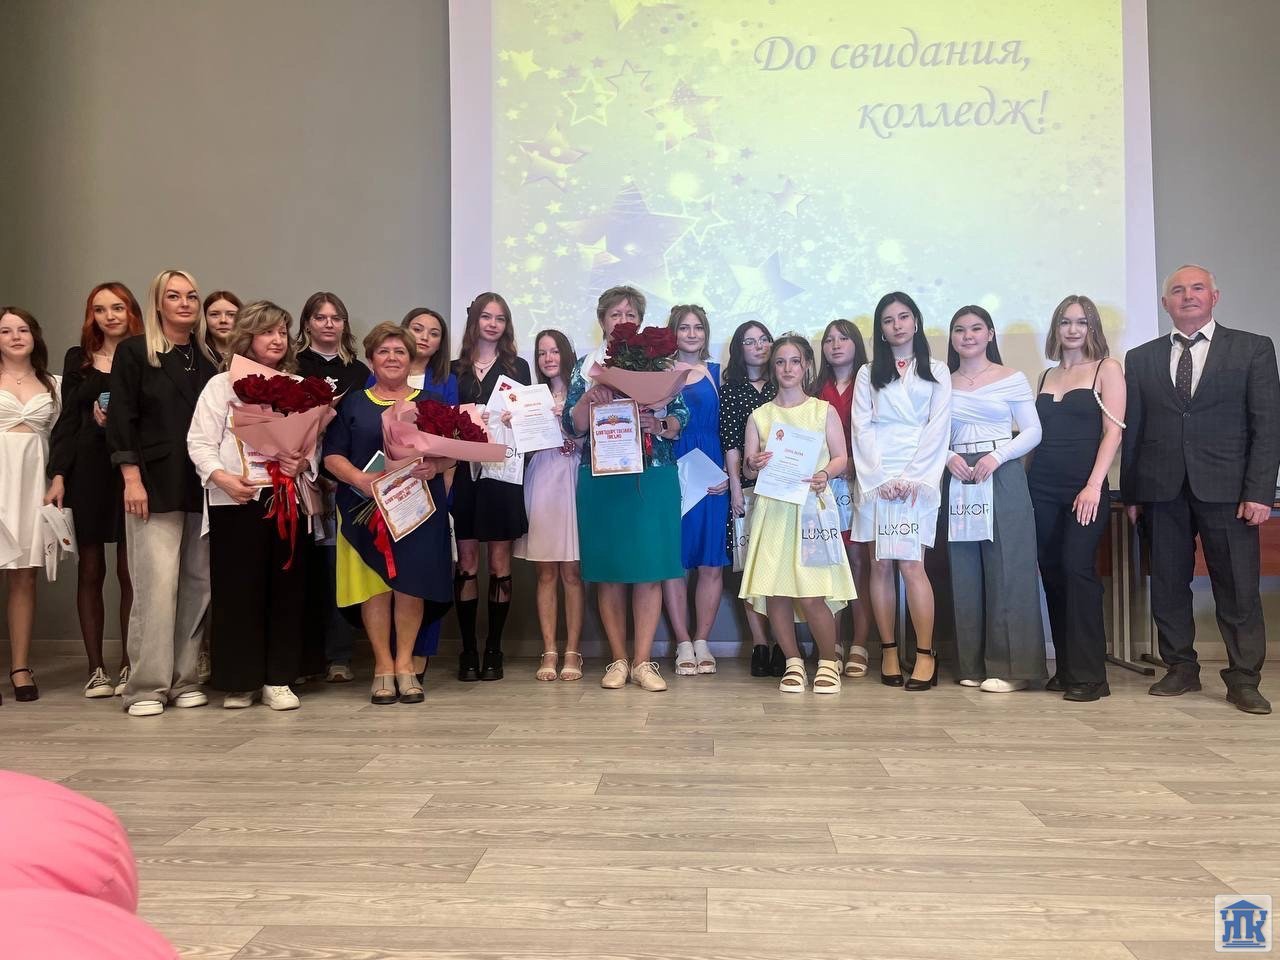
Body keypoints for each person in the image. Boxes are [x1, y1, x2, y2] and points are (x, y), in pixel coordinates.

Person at [1122, 265, 1280, 715]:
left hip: (1229, 491)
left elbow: (1267, 425)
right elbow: (1134, 430)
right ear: (1165, 303)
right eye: (1178, 290)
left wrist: (1260, 492)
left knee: (1238, 587)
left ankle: (1244, 679)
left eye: (1197, 288)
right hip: (1161, 489)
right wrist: (1132, 493)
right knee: (1168, 583)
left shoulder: (1252, 348)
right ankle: (1180, 668)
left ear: (1215, 297)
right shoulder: (1141, 357)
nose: (1187, 296)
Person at [187, 301, 314, 711]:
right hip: (235, 499)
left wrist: (301, 462)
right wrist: (222, 477)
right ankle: (239, 680)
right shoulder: (220, 386)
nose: (277, 340)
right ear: (247, 337)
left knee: (285, 589)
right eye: (267, 332)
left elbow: (312, 445)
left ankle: (278, 679)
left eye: (282, 332)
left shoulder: (298, 386)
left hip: (284, 499)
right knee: (238, 591)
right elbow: (199, 442)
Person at [106, 269, 218, 717]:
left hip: (202, 484)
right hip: (153, 483)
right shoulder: (136, 352)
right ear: (158, 303)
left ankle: (185, 678)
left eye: (191, 296)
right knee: (155, 587)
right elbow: (122, 418)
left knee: (197, 584)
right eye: (174, 296)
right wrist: (131, 478)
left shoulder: (208, 358)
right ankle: (147, 687)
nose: (185, 303)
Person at [566, 285, 688, 691]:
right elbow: (572, 425)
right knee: (610, 572)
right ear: (602, 321)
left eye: (630, 314)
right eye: (615, 314)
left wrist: (660, 423)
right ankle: (618, 660)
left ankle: (643, 662)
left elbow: (681, 416)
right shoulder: (585, 367)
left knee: (650, 570)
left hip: (653, 473)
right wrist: (590, 398)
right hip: (603, 475)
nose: (623, 320)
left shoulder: (660, 365)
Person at [323, 323, 453, 705]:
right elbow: (332, 455)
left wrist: (437, 466)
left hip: (417, 510)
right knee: (375, 588)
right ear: (370, 360)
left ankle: (405, 664)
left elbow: (452, 453)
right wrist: (361, 480)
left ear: (411, 359)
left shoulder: (430, 402)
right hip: (364, 509)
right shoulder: (353, 403)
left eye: (400, 351)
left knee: (411, 586)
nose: (392, 358)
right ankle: (382, 665)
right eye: (384, 351)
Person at [739, 334, 856, 693]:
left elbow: (841, 457)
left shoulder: (823, 410)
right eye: (780, 362)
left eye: (794, 361)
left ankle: (827, 660)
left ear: (806, 365)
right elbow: (748, 468)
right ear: (772, 367)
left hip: (810, 511)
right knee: (776, 591)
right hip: (773, 511)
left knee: (812, 592)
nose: (787, 368)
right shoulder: (760, 415)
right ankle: (792, 660)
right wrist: (754, 462)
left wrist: (825, 473)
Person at [850, 292, 952, 691]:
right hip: (876, 477)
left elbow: (938, 427)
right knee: (879, 564)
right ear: (881, 329)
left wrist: (911, 477)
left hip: (917, 479)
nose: (897, 325)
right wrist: (879, 477)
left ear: (916, 321)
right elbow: (861, 426)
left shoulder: (938, 371)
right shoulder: (867, 372)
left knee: (912, 564)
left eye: (903, 317)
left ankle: (925, 654)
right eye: (888, 320)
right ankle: (889, 650)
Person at [46, 283, 143, 698]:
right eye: (100, 309)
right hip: (87, 469)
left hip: (130, 470)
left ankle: (129, 664)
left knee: (129, 571)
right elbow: (67, 419)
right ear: (92, 316)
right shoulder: (78, 359)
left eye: (117, 307)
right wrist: (57, 474)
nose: (109, 316)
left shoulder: (144, 355)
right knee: (90, 569)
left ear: (131, 311)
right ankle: (96, 669)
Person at [1028, 295, 1126, 702]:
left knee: (1077, 569)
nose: (1072, 329)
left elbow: (1113, 431)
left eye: (1081, 322)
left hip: (1084, 488)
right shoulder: (1046, 375)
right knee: (1052, 572)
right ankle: (1067, 669)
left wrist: (1093, 485)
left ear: (1092, 328)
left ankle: (1091, 676)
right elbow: (1034, 438)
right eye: (1065, 322)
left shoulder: (1107, 368)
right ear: (1056, 328)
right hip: (1041, 486)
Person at [945, 306, 1047, 692]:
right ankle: (971, 663)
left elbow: (1033, 430)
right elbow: (929, 434)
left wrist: (997, 456)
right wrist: (948, 457)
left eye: (976, 328)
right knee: (964, 569)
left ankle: (1012, 670)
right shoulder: (941, 383)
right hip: (959, 475)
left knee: (1009, 566)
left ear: (990, 334)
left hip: (1000, 470)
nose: (967, 336)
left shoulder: (1011, 377)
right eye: (959, 329)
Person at [451, 292, 531, 682]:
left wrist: (516, 420)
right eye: (486, 317)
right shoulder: (453, 369)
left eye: (500, 318)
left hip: (503, 475)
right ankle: (468, 649)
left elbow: (529, 420)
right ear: (474, 322)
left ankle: (494, 649)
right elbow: (440, 421)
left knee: (500, 566)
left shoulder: (518, 367)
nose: (493, 324)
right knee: (466, 565)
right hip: (462, 476)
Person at [294, 292, 370, 684]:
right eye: (320, 317)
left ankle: (339, 655)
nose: (328, 324)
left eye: (336, 318)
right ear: (307, 322)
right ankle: (303, 658)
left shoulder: (358, 371)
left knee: (337, 569)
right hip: (297, 478)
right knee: (303, 569)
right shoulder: (291, 366)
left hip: (346, 482)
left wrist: (342, 473)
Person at [662, 304, 729, 676]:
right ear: (673, 332)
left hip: (711, 474)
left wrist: (728, 473)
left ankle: (703, 640)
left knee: (710, 561)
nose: (691, 334)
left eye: (698, 327)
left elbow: (729, 430)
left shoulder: (717, 372)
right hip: (670, 470)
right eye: (684, 327)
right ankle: (682, 642)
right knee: (673, 560)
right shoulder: (658, 372)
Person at [514, 329, 585, 681]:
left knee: (572, 572)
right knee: (545, 572)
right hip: (541, 478)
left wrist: (575, 437)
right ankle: (549, 650)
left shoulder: (582, 393)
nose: (548, 358)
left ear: (566, 354)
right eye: (542, 353)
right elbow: (520, 447)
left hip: (573, 479)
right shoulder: (529, 397)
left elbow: (600, 438)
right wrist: (512, 424)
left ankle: (572, 650)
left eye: (554, 351)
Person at [0, 308, 61, 704]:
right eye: (5, 331)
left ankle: (20, 667)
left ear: (34, 335)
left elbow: (63, 440)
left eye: (23, 329)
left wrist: (57, 480)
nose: (15, 336)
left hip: (33, 484)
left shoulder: (53, 384)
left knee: (24, 576)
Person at [718, 321, 780, 677]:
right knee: (749, 570)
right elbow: (731, 444)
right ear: (739, 349)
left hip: (784, 488)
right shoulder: (731, 390)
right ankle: (760, 644)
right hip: (746, 487)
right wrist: (734, 488)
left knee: (779, 566)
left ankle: (784, 642)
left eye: (764, 340)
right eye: (750, 341)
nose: (758, 346)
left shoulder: (783, 384)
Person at [812, 318, 872, 678]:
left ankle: (860, 642)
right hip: (824, 487)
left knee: (860, 563)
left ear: (856, 344)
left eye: (843, 338)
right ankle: (831, 642)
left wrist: (855, 464)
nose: (835, 345)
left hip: (862, 484)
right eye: (829, 340)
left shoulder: (871, 383)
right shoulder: (815, 390)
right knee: (829, 563)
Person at [202, 291, 241, 360]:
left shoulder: (253, 356)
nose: (223, 320)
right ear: (204, 318)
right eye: (214, 314)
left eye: (231, 315)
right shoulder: (194, 354)